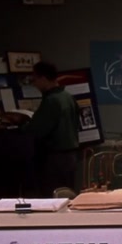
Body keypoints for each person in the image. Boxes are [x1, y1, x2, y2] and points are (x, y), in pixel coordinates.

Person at [21, 61, 80, 197]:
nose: (34, 84)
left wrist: (22, 124)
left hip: (54, 158)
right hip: (70, 156)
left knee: (51, 198)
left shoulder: (51, 100)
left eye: (35, 79)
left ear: (43, 78)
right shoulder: (67, 96)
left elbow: (38, 129)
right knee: (67, 196)